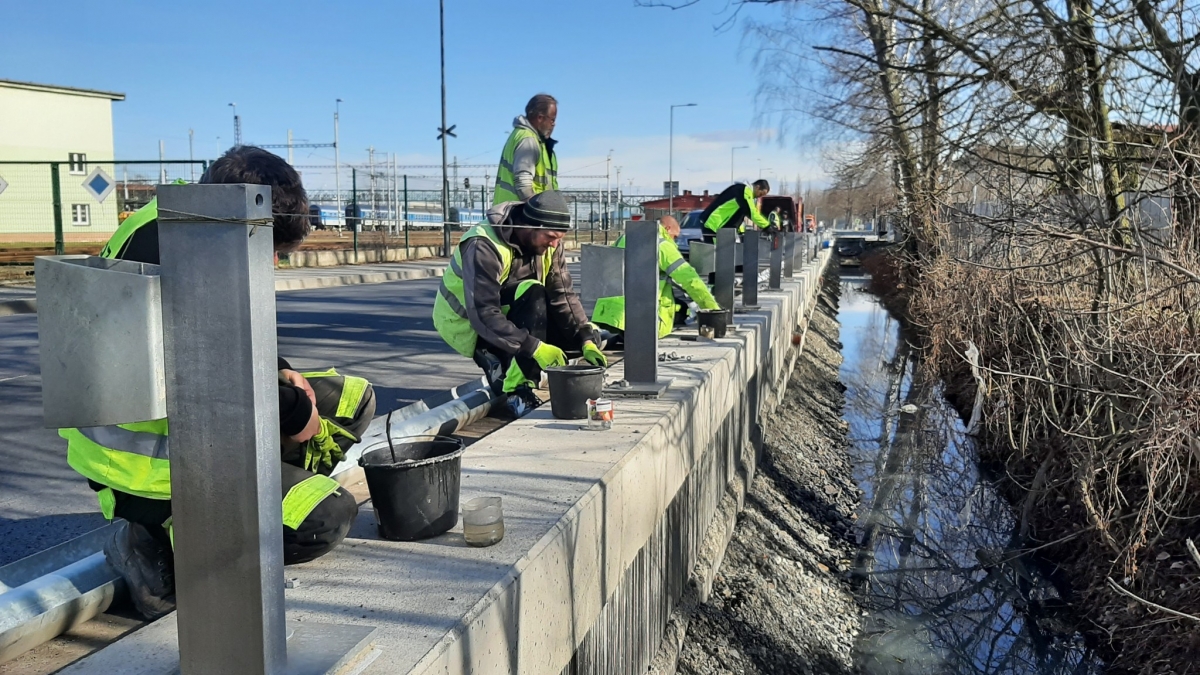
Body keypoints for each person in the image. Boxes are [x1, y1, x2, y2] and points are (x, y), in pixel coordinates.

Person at [64, 146, 375, 619]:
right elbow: (207, 381)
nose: (272, 261)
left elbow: (229, 335)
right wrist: (293, 412)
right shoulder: (180, 250)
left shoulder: (194, 221)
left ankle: (265, 488)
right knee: (323, 518)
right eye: (269, 247)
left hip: (193, 421)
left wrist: (283, 369)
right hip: (145, 467)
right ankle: (154, 540)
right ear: (239, 211)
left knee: (353, 398)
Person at [433, 190, 607, 417]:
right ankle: (516, 389)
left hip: (511, 313)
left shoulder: (549, 244)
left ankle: (513, 362)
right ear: (529, 226)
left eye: (559, 239)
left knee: (575, 336)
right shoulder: (483, 244)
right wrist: (534, 347)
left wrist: (585, 339)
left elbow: (563, 295)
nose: (555, 245)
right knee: (533, 291)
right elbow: (484, 313)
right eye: (550, 237)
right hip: (468, 322)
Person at [592, 215, 721, 343]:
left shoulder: (624, 238)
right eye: (675, 236)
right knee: (682, 311)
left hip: (609, 313)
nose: (675, 240)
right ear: (668, 228)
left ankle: (594, 332)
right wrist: (713, 310)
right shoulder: (662, 245)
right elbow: (691, 280)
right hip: (641, 317)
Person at [493, 93, 559, 206]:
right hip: (518, 216)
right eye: (552, 120)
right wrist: (538, 212)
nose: (554, 124)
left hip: (510, 214)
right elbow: (523, 185)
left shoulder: (530, 139)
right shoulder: (528, 140)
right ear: (540, 118)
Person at [699, 179, 772, 242]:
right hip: (713, 224)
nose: (760, 196)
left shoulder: (743, 192)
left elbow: (739, 214)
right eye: (761, 193)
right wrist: (767, 226)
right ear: (757, 187)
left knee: (721, 254)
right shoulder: (744, 191)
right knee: (714, 254)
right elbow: (751, 213)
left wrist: (740, 231)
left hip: (717, 226)